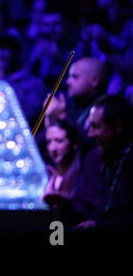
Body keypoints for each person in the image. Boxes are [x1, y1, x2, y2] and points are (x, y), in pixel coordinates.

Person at [49, 95, 133, 229]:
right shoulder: (94, 158)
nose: (90, 134)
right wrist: (64, 203)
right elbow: (85, 207)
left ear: (118, 126)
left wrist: (100, 225)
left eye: (96, 127)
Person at [42, 119, 82, 205]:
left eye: (59, 141)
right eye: (49, 142)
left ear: (73, 143)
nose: (53, 148)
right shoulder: (46, 174)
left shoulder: (82, 176)